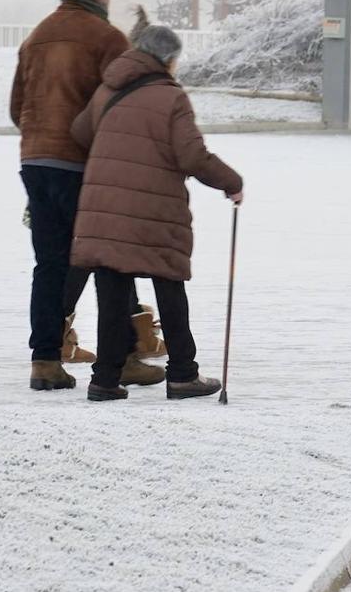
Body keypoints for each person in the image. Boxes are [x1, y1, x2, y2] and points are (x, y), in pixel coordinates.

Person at [11, 0, 164, 391]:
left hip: (35, 162)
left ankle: (44, 361)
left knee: (50, 264)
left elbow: (16, 106)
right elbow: (122, 106)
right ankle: (126, 358)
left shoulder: (37, 36)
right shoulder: (107, 38)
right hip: (83, 165)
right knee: (111, 257)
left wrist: (41, 140)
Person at [70, 25, 244, 401]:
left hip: (103, 210)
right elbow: (192, 155)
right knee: (169, 287)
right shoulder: (171, 98)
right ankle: (182, 374)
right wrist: (231, 181)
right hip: (153, 210)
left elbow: (80, 132)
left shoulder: (107, 89)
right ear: (169, 60)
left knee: (112, 296)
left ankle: (104, 380)